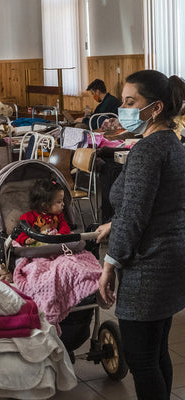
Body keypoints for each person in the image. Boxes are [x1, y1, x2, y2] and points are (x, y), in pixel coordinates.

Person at [96, 70, 185, 400]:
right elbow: (158, 206)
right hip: (171, 260)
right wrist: (113, 224)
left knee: (142, 359)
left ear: (156, 108)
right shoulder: (172, 143)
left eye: (131, 102)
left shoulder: (148, 150)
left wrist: (109, 266)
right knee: (157, 352)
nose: (123, 108)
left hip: (149, 267)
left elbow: (135, 217)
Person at [16, 178, 71, 246]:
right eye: (59, 202)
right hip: (37, 247)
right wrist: (26, 239)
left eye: (62, 200)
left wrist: (61, 234)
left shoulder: (58, 215)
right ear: (45, 206)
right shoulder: (27, 217)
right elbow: (19, 232)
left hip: (54, 245)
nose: (63, 204)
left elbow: (65, 226)